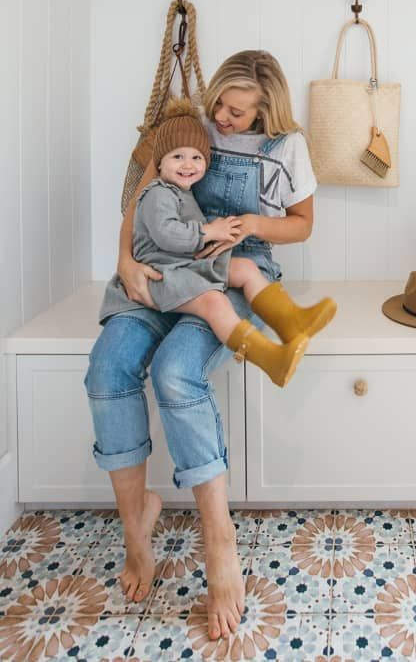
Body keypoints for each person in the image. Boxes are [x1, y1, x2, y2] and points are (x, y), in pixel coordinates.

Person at [85, 50, 334, 642]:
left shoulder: (287, 146)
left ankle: (219, 544)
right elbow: (140, 199)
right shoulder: (191, 127)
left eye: (238, 112)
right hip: (158, 266)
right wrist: (124, 261)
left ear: (266, 110)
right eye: (220, 103)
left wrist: (252, 225)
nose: (222, 117)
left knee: (175, 373)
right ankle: (135, 525)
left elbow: (302, 222)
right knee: (108, 368)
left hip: (235, 266)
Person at [99, 97, 313, 386]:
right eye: (177, 157)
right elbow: (167, 234)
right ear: (159, 161)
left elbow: (302, 225)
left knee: (247, 269)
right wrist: (208, 232)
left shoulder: (181, 191)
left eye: (197, 157)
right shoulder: (156, 193)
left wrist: (228, 230)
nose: (188, 165)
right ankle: (268, 358)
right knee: (215, 303)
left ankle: (291, 321)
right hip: (162, 272)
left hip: (186, 263)